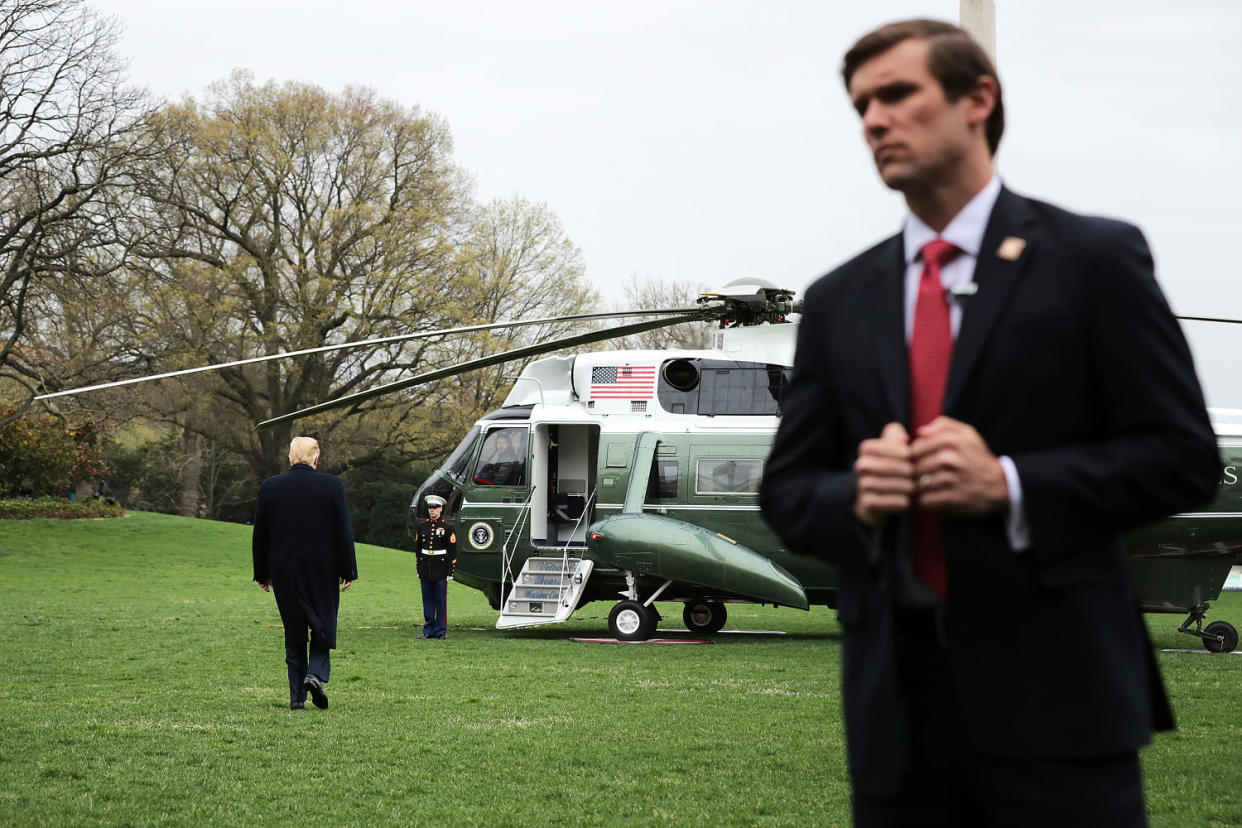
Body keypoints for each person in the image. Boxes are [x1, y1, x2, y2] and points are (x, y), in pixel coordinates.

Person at [759, 18, 1220, 826]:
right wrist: (857, 498)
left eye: (897, 94)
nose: (873, 120)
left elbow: (1183, 457)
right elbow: (789, 493)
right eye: (862, 104)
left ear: (979, 99)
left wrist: (1007, 484)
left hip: (1063, 712)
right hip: (895, 726)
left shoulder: (1094, 262)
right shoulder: (839, 300)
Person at [253, 437, 357, 710]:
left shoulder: (270, 487)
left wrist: (262, 573)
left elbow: (261, 534)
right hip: (323, 568)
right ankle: (315, 674)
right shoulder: (332, 485)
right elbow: (343, 531)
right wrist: (349, 570)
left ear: (290, 456)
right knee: (323, 625)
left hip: (284, 570)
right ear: (315, 458)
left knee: (294, 631)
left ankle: (296, 697)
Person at [413, 494, 456, 639]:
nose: (432, 511)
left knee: (440, 601)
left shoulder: (448, 527)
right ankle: (428, 630)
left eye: (435, 508)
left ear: (441, 509)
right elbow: (418, 549)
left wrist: (451, 570)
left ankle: (440, 631)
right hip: (426, 567)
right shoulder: (422, 526)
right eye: (430, 508)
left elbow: (452, 551)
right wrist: (419, 568)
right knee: (427, 600)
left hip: (441, 568)